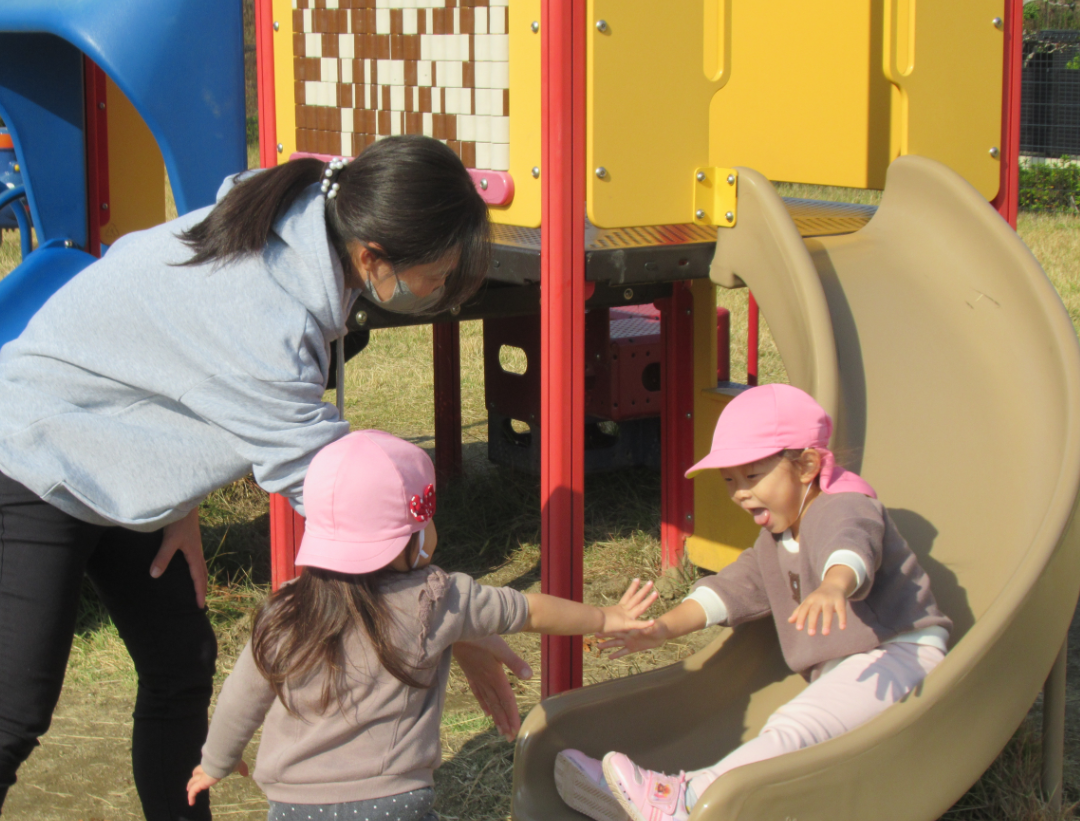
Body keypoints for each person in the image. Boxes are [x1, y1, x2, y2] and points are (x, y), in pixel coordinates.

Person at [0, 135, 529, 821]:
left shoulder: (314, 210)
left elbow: (167, 344)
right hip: (33, 453)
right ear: (373, 255)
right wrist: (462, 625)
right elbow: (353, 503)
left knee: (180, 662)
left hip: (112, 451)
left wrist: (175, 493)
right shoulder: (268, 319)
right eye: (439, 273)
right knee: (16, 707)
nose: (445, 289)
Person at [184, 429, 658, 819]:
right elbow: (529, 610)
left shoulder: (284, 609)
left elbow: (242, 695)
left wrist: (215, 762)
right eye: (428, 523)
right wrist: (606, 616)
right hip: (393, 803)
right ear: (409, 539)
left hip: (293, 808)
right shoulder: (436, 599)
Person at [554, 384, 952, 821]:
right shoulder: (775, 540)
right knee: (801, 727)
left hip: (899, 655)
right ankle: (652, 800)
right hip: (853, 668)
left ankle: (684, 801)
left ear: (806, 466)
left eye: (752, 476)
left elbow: (852, 546)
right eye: (729, 480)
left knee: (797, 724)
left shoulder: (841, 505)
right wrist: (662, 629)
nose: (739, 492)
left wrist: (834, 586)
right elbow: (730, 589)